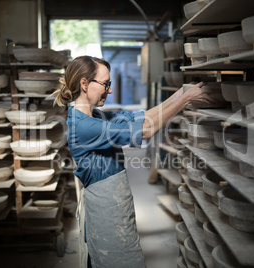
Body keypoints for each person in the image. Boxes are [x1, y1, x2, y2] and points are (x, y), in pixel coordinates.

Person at [53, 56, 215, 268]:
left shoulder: (96, 116)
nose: (109, 91)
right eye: (105, 84)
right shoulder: (84, 127)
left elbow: (141, 118)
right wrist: (185, 101)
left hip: (116, 211)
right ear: (84, 84)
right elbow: (146, 131)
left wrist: (180, 94)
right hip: (106, 215)